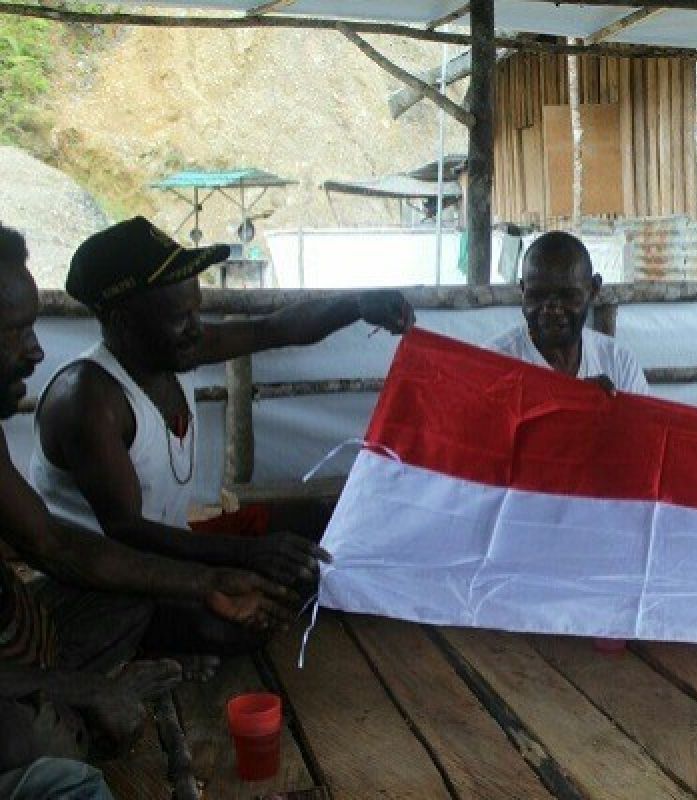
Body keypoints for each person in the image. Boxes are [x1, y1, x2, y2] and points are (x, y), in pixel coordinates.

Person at [30, 216, 414, 651]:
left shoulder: (173, 350)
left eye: (197, 309)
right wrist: (246, 554)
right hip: (113, 579)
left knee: (326, 522)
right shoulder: (88, 399)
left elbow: (274, 329)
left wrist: (357, 305)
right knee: (229, 625)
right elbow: (127, 532)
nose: (196, 327)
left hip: (173, 550)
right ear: (122, 322)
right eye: (180, 316)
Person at [0, 223, 293, 791]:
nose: (35, 348)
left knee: (154, 604)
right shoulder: (87, 396)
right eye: (14, 332)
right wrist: (85, 690)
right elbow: (117, 532)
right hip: (24, 665)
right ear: (128, 322)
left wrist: (204, 580)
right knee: (22, 742)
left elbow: (52, 543)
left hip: (33, 632)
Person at [487, 230, 649, 395]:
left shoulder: (618, 363)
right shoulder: (494, 364)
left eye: (567, 296)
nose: (552, 310)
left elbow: (643, 421)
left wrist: (604, 410)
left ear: (593, 290)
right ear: (523, 291)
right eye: (538, 295)